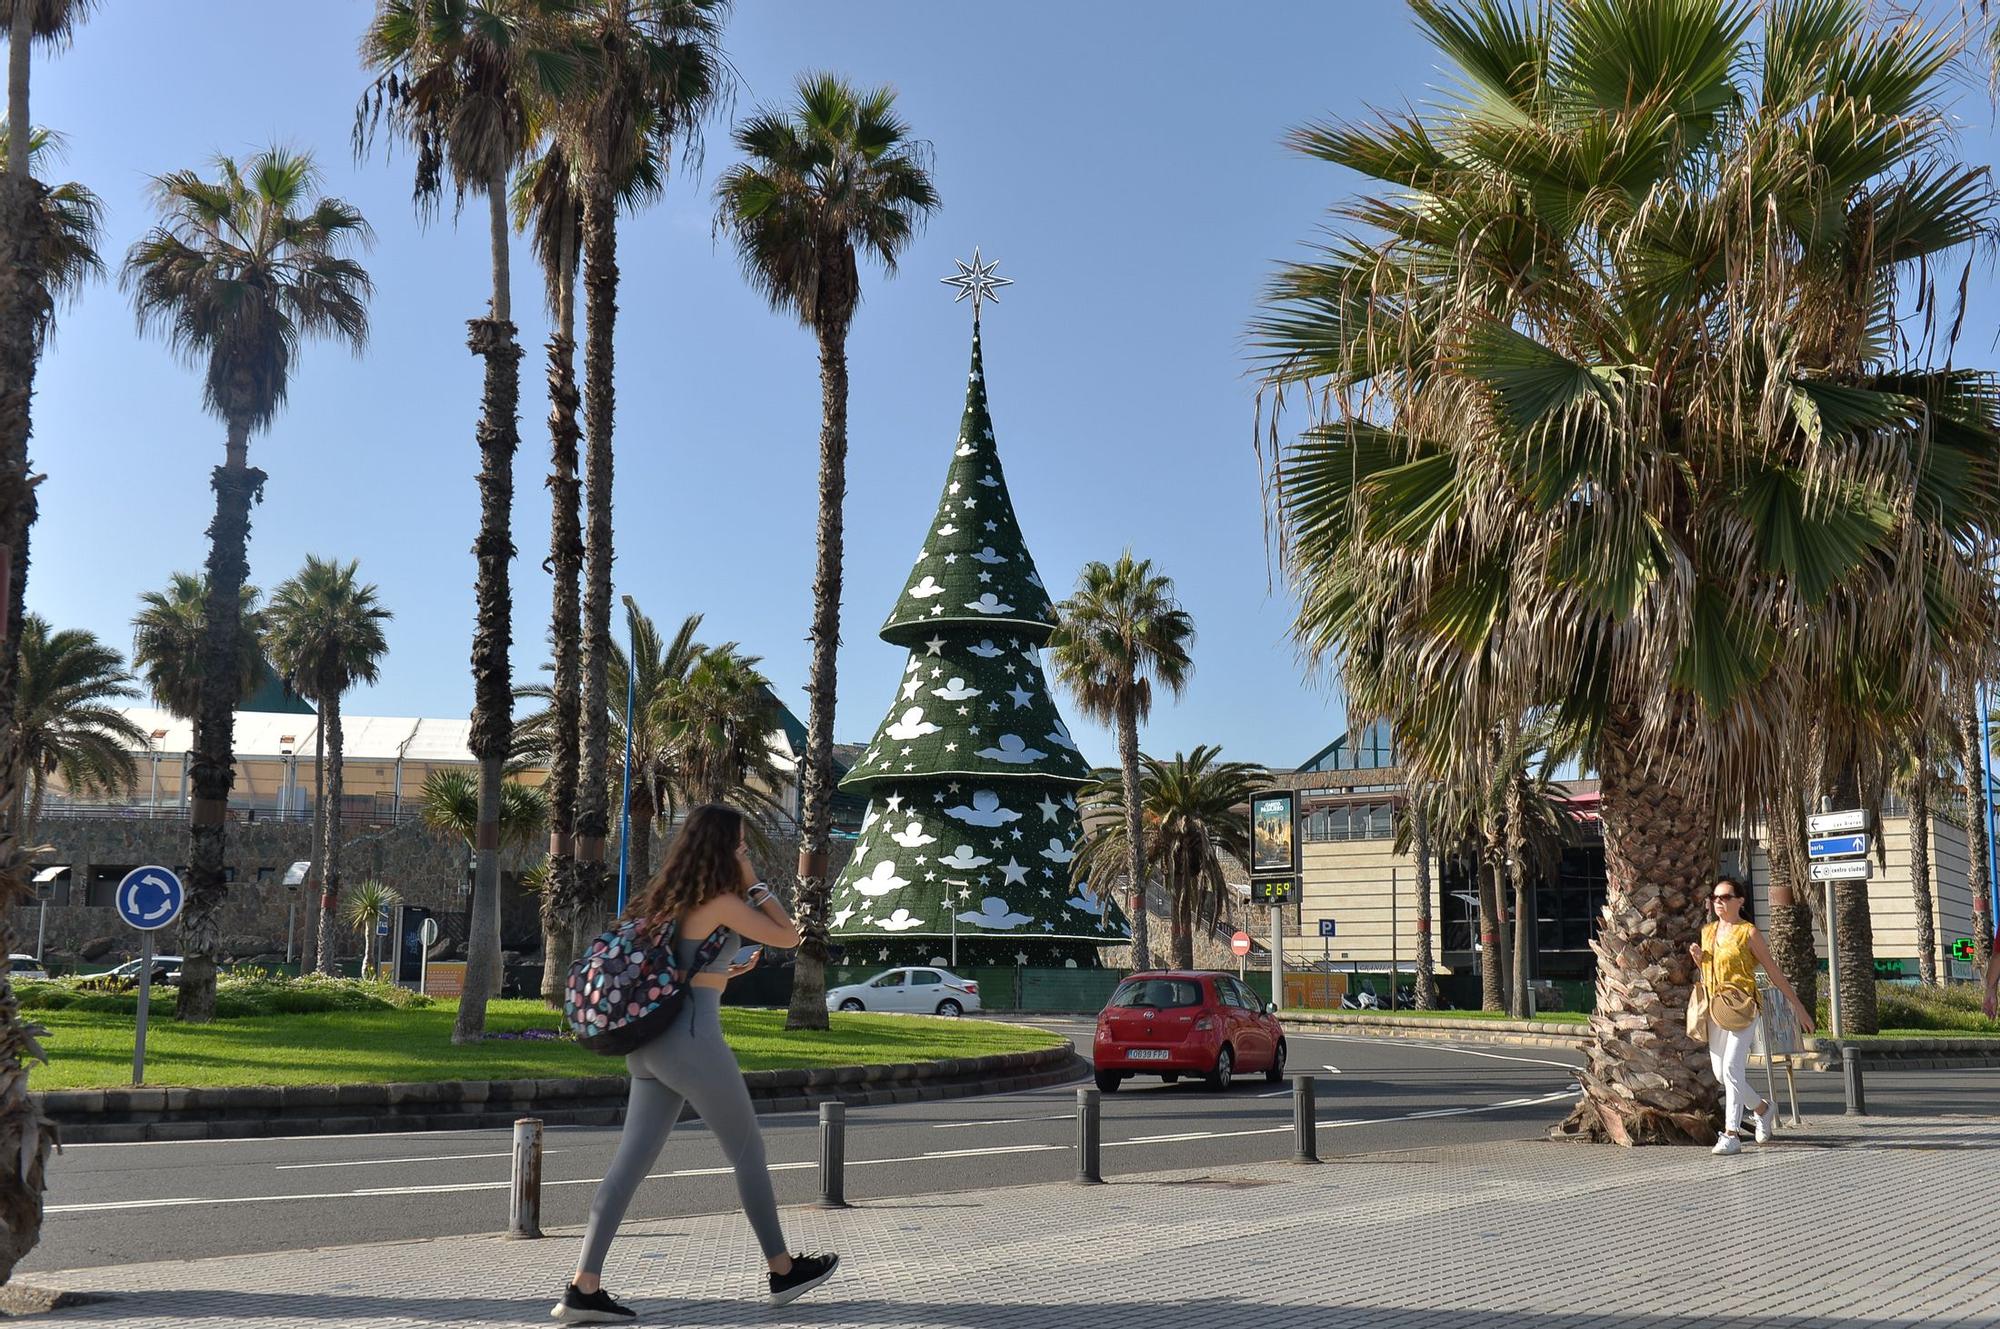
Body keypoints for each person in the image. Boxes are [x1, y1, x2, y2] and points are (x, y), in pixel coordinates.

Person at [553, 805, 840, 1324]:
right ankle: (782, 1271)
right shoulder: (724, 900)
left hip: (649, 1045)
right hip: (691, 1041)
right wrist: (754, 883)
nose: (745, 852)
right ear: (723, 848)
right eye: (740, 845)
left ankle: (582, 1287)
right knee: (747, 1152)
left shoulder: (665, 902)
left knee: (628, 1166)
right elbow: (790, 935)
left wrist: (727, 965)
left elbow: (682, 971)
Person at [1689, 874, 1813, 1156]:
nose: (1718, 902)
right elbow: (1708, 969)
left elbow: (1773, 972)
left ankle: (1730, 1134)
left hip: (1743, 1006)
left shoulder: (1748, 933)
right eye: (1715, 898)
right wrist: (1699, 958)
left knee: (1733, 1068)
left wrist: (1798, 1006)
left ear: (1740, 901)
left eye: (1725, 897)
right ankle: (1763, 1108)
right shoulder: (1708, 932)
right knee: (1722, 1075)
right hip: (1715, 1007)